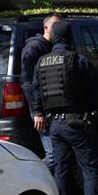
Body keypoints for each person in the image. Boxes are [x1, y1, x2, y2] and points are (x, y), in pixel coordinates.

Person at [31, 20, 98, 195]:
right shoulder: (77, 60)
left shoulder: (41, 62)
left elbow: (36, 91)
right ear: (69, 37)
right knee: (90, 169)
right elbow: (95, 92)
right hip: (78, 122)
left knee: (61, 171)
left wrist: (39, 112)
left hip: (54, 125)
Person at [21, 12, 61, 173]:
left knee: (59, 155)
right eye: (55, 25)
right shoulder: (34, 47)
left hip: (53, 106)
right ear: (46, 27)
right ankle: (31, 179)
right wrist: (37, 112)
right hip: (41, 109)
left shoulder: (54, 47)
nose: (58, 29)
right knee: (52, 156)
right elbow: (27, 82)